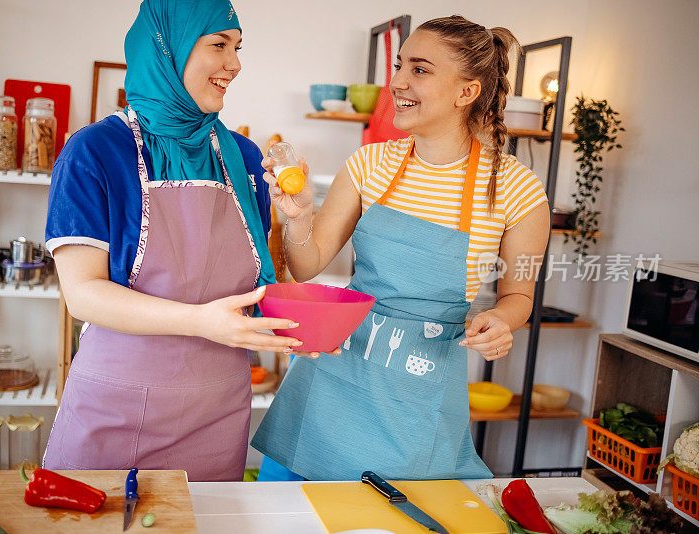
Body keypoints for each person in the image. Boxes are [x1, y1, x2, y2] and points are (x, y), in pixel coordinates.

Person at [252, 15, 551, 481]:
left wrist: (502, 321)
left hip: (417, 396)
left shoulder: (517, 190)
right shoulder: (370, 163)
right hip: (334, 376)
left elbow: (519, 296)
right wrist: (298, 218)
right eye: (399, 65)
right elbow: (307, 266)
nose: (397, 82)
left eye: (420, 69)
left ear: (466, 91)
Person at [42, 0, 301, 482]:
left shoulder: (243, 158)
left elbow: (259, 284)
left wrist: (302, 328)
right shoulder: (95, 151)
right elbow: (83, 293)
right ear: (168, 48)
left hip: (217, 413)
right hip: (115, 409)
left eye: (238, 47)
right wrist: (200, 322)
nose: (236, 64)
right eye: (219, 45)